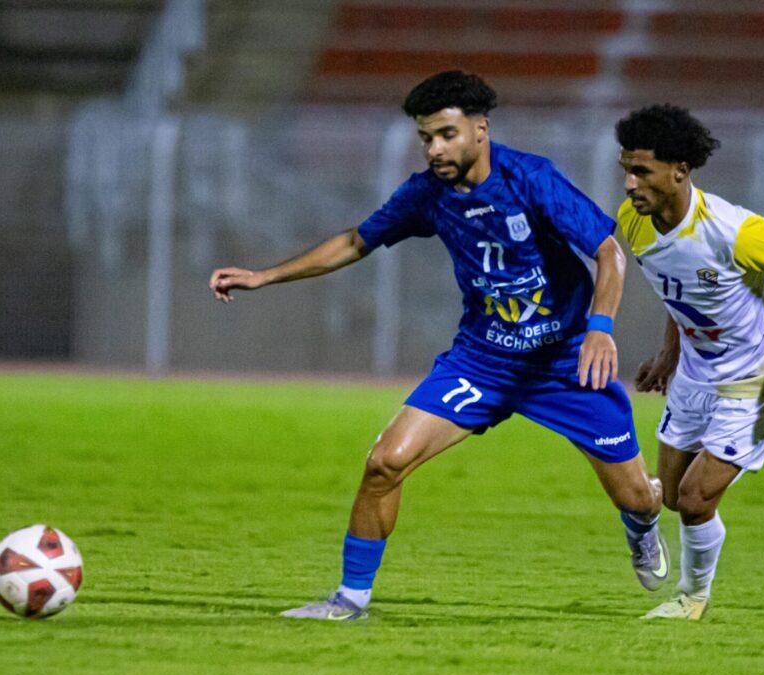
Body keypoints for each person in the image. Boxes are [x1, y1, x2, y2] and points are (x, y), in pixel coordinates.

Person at [209, 71, 669, 620]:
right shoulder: (428, 194)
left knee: (637, 497)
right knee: (384, 464)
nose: (434, 149)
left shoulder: (530, 178)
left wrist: (600, 326)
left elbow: (608, 251)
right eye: (426, 137)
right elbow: (356, 241)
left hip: (565, 361)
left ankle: (642, 523)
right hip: (482, 362)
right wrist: (264, 276)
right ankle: (350, 600)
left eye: (446, 134)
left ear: (480, 129)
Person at [615, 105, 764, 620]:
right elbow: (680, 291)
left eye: (641, 171)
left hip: (756, 376)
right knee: (672, 496)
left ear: (679, 171)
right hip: (696, 370)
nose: (629, 183)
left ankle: (692, 599)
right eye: (626, 169)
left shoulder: (732, 230)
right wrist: (670, 354)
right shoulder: (635, 221)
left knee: (695, 501)